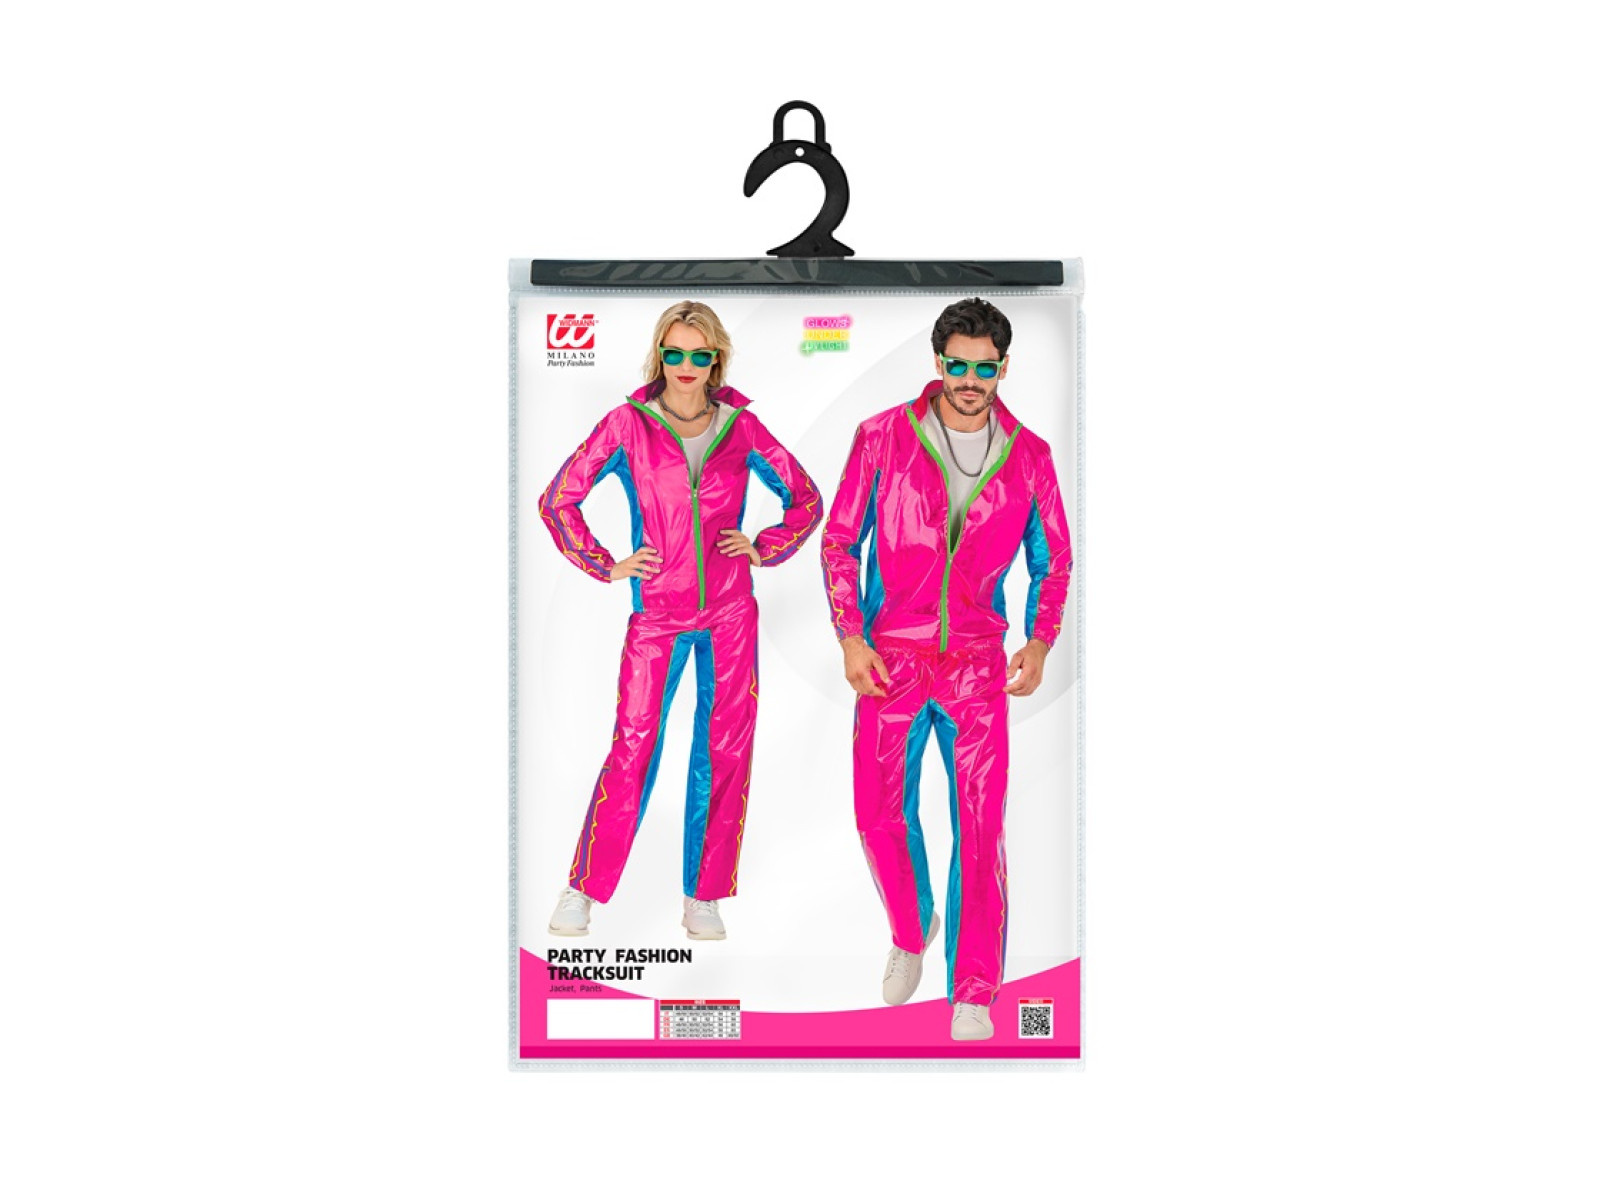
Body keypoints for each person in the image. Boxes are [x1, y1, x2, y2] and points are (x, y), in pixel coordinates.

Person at [819, 297, 1072, 1040]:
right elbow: (840, 541)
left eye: (983, 369)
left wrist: (1040, 639)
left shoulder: (1029, 455)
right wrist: (851, 637)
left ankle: (974, 989)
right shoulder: (881, 437)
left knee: (980, 824)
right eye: (957, 365)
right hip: (889, 658)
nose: (969, 380)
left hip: (976, 665)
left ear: (1003, 368)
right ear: (938, 362)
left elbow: (1052, 559)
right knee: (877, 813)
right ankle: (911, 929)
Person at [539, 300, 821, 941]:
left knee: (724, 749)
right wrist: (606, 564)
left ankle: (705, 895)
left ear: (716, 359)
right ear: (659, 355)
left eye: (699, 354)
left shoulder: (742, 428)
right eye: (674, 352)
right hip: (658, 615)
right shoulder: (627, 425)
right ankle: (583, 887)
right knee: (634, 745)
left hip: (730, 613)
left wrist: (764, 546)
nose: (686, 365)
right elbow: (558, 500)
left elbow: (805, 498)